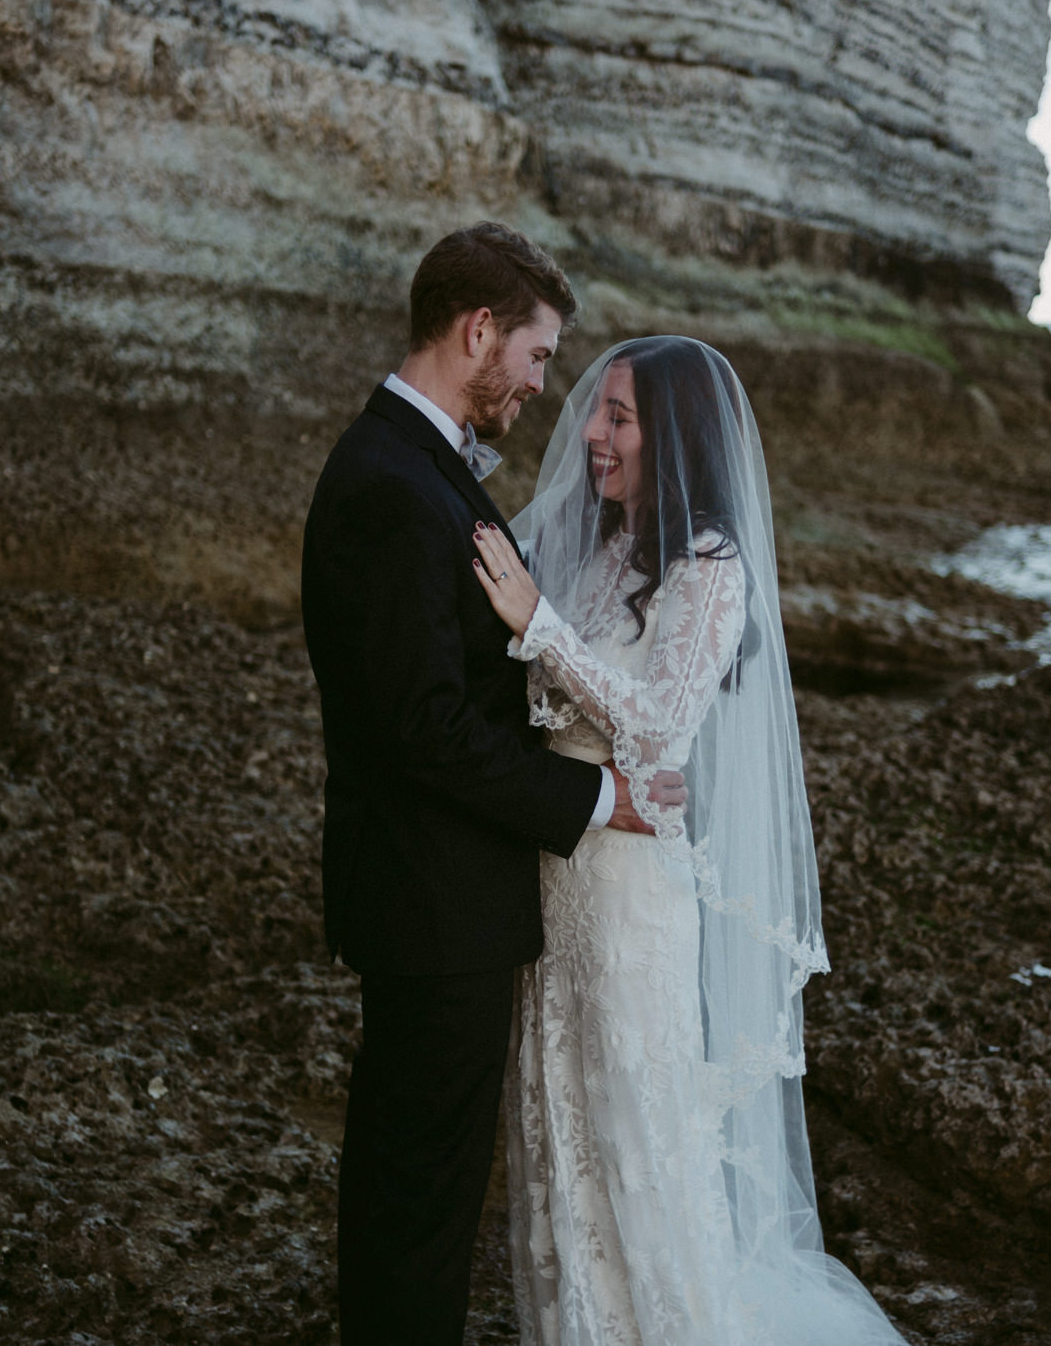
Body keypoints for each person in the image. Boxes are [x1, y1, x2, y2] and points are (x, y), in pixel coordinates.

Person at [469, 337, 907, 1345]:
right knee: (563, 1140)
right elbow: (546, 689)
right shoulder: (604, 547)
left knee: (635, 1140)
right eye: (597, 411)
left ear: (674, 435)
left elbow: (660, 723)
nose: (589, 432)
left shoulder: (710, 569)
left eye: (617, 417)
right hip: (559, 880)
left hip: (629, 899)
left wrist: (539, 625)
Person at [299, 223, 679, 1345]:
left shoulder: (409, 466)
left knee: (414, 1186)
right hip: (433, 902)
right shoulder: (388, 485)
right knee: (418, 1196)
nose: (537, 384)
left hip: (436, 895)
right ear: (477, 331)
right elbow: (425, 726)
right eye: (535, 354)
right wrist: (592, 799)